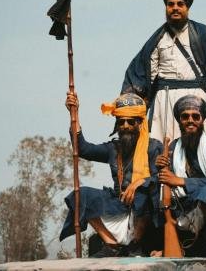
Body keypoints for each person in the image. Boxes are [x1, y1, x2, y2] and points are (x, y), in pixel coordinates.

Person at [121, 0, 206, 141]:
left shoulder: (203, 33)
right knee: (163, 150)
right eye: (171, 4)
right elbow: (141, 69)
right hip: (164, 101)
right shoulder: (157, 38)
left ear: (187, 7)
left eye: (180, 4)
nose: (175, 8)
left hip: (196, 98)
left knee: (199, 148)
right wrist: (131, 100)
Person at [59, 92, 163, 257]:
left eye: (131, 121)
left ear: (140, 123)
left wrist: (139, 182)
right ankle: (111, 245)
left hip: (145, 212)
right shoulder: (113, 148)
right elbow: (83, 149)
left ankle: (135, 245)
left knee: (143, 192)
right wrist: (74, 113)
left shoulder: (154, 147)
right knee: (80, 195)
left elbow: (162, 178)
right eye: (121, 122)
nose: (126, 125)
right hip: (118, 204)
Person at [153, 95, 206, 258]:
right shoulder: (173, 146)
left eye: (195, 116)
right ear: (179, 121)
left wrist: (180, 181)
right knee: (153, 188)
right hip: (182, 200)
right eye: (185, 116)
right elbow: (166, 181)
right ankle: (168, 245)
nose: (190, 120)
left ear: (202, 120)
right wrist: (161, 168)